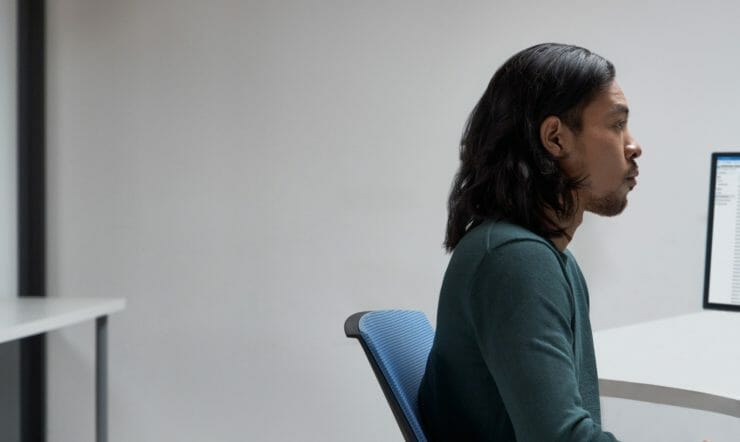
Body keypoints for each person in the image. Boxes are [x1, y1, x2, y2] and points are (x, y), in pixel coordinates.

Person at [417, 43, 641, 441]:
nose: (633, 145)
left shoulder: (547, 259)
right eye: (616, 124)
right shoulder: (515, 260)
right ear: (555, 139)